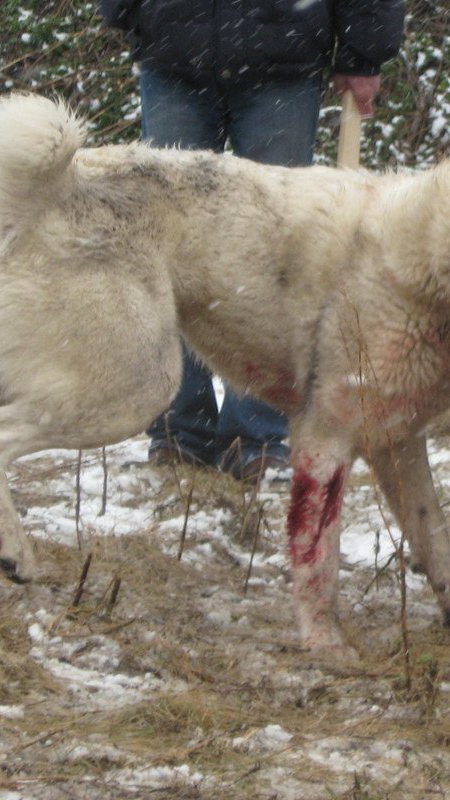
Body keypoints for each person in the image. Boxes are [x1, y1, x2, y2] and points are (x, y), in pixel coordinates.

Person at [99, 0, 406, 483]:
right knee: (169, 243)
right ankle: (182, 432)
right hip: (175, 53)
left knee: (276, 254)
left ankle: (257, 436)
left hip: (281, 60)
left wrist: (363, 53)